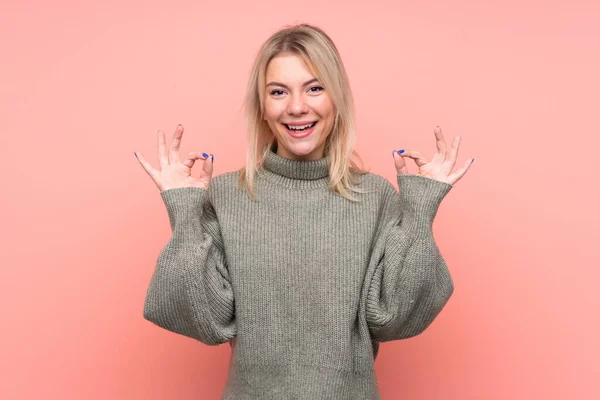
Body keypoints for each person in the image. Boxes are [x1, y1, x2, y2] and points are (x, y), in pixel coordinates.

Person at [135, 23, 473, 400]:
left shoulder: (375, 197)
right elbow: (203, 318)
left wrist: (420, 208)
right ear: (262, 108)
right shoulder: (226, 195)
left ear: (336, 100)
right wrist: (184, 211)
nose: (297, 107)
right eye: (278, 92)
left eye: (314, 88)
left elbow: (397, 315)